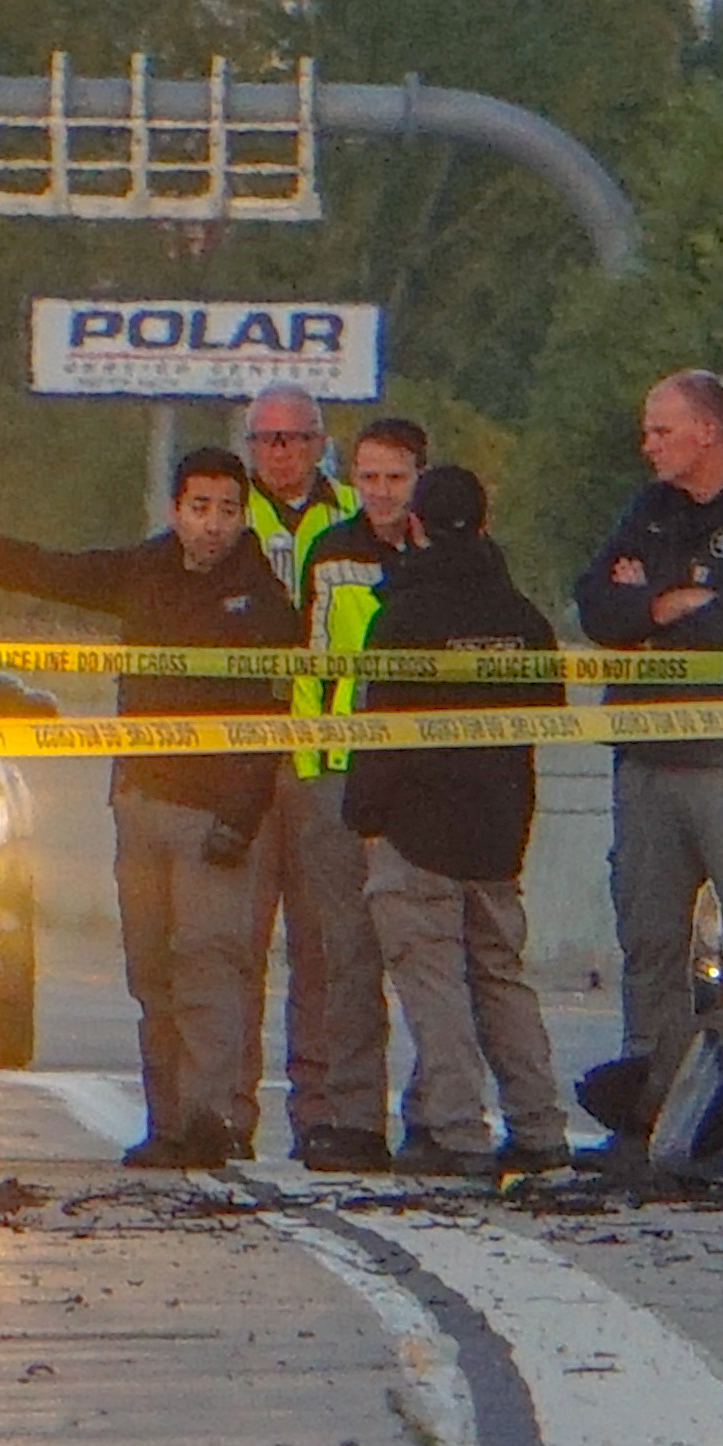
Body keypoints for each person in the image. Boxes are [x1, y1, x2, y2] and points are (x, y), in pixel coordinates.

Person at [0, 457, 305, 1168]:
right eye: (200, 506)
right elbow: (40, 569)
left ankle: (215, 1121)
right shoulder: (143, 572)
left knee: (210, 970)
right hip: (141, 805)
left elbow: (273, 720)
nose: (212, 524)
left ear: (244, 518)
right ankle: (168, 1126)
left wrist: (242, 815)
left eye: (228, 510)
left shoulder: (264, 603)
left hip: (217, 820)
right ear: (176, 510)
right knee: (153, 976)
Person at [573, 370, 723, 1148]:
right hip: (649, 758)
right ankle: (653, 1113)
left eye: (660, 430)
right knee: (649, 942)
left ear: (707, 430)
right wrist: (663, 604)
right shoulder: (648, 510)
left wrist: (658, 608)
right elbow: (595, 607)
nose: (647, 445)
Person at [340, 464, 571, 1177]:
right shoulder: (523, 619)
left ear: (414, 527)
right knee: (501, 976)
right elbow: (546, 718)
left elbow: (380, 730)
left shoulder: (404, 616)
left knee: (433, 982)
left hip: (418, 830)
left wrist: (365, 816)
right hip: (499, 831)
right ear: (486, 522)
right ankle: (539, 1128)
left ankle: (456, 1131)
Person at [234, 386, 387, 1170]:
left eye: (295, 439)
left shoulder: (353, 519)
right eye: (266, 440)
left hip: (326, 759)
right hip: (241, 754)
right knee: (232, 943)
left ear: (321, 443)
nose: (281, 453)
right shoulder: (225, 511)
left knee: (326, 950)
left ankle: (321, 1113)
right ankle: (222, 1113)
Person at [292, 415, 429, 1171]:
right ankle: (352, 1118)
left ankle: (433, 1114)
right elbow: (312, 668)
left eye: (396, 479)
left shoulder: (444, 551)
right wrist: (314, 770)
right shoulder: (332, 552)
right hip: (343, 775)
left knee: (426, 958)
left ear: (420, 479)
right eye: (369, 478)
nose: (380, 493)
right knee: (346, 959)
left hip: (421, 780)